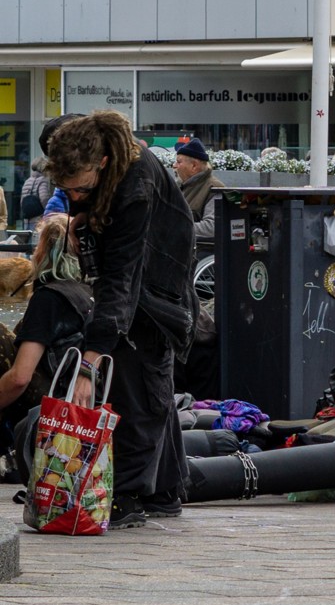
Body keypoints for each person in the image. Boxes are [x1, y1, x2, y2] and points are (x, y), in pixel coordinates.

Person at [43, 110, 196, 528]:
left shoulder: (136, 187)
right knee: (148, 389)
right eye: (65, 189)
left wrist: (90, 362)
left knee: (138, 391)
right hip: (147, 291)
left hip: (154, 296)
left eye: (80, 188)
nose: (73, 196)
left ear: (104, 164)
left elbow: (121, 280)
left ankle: (126, 493)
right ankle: (165, 490)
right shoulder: (95, 148)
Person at [0, 215, 92, 441]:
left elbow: (20, 378)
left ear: (45, 250)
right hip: (81, 404)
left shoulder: (49, 298)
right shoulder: (89, 292)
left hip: (54, 410)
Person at [174, 138, 225, 245]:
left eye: (179, 162)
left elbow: (212, 227)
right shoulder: (178, 186)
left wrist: (174, 227)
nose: (174, 165)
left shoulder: (214, 188)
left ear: (194, 166)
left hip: (197, 254)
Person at [19, 158, 54, 229]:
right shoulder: (42, 180)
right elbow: (44, 198)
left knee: (29, 239)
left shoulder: (28, 181)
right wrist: (49, 212)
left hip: (27, 219)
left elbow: (22, 201)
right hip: (38, 219)